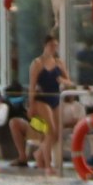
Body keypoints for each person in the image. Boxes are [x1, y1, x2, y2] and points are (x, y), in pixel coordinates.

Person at [25, 35, 68, 173]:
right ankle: (48, 165)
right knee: (50, 131)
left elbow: (68, 81)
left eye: (56, 46)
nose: (54, 48)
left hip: (55, 98)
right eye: (51, 45)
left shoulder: (59, 62)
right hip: (42, 99)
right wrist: (31, 105)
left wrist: (63, 80)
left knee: (56, 134)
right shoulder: (37, 63)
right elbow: (32, 86)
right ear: (45, 46)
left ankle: (39, 153)